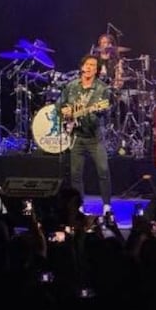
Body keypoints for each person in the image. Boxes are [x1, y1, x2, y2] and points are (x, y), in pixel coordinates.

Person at [56, 55, 113, 214]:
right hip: (76, 136)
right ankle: (79, 205)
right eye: (87, 64)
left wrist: (97, 110)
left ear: (97, 70)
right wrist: (65, 111)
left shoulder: (102, 89)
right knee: (75, 174)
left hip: (95, 137)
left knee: (103, 171)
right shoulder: (71, 86)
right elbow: (59, 104)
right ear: (82, 67)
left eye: (93, 65)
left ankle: (107, 206)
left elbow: (105, 110)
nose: (89, 67)